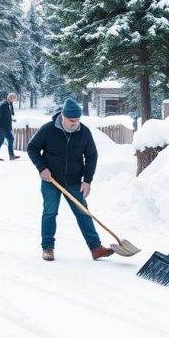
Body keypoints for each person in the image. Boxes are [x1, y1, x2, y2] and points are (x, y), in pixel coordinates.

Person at [26, 97, 113, 262]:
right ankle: (48, 248)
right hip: (50, 180)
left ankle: (96, 248)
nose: (75, 123)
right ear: (63, 117)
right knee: (50, 212)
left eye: (78, 120)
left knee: (83, 212)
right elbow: (32, 148)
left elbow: (91, 155)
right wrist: (42, 168)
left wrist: (87, 180)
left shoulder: (84, 132)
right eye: (72, 120)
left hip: (73, 181)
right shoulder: (49, 129)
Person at [0, 93, 20, 161]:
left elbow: (7, 115)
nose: (15, 100)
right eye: (14, 98)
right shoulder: (3, 105)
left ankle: (11, 155)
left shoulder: (9, 104)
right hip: (2, 127)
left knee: (11, 139)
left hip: (7, 127)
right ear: (10, 98)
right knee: (0, 141)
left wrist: (11, 119)